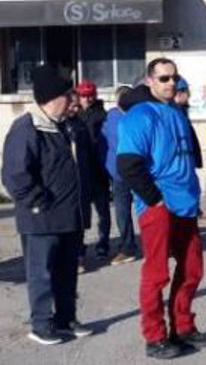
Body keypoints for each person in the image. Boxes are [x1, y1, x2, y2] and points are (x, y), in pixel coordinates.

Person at [117, 58, 206, 359]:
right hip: (158, 205)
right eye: (163, 78)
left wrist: (193, 199)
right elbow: (128, 164)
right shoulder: (140, 115)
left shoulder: (175, 112)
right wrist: (155, 199)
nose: (171, 83)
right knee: (157, 273)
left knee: (192, 269)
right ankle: (155, 336)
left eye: (174, 78)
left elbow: (186, 161)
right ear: (149, 81)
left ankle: (183, 327)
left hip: (184, 204)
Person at [2, 65, 94, 345]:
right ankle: (41, 324)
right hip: (41, 218)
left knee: (67, 273)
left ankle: (65, 319)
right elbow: (15, 174)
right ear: (52, 98)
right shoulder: (27, 127)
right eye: (69, 95)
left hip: (70, 216)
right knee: (41, 274)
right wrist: (37, 203)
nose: (74, 101)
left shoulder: (67, 126)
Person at [74, 80, 112, 264]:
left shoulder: (103, 115)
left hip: (99, 170)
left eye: (90, 95)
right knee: (81, 213)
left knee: (103, 211)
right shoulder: (74, 116)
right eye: (83, 95)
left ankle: (103, 244)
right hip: (81, 172)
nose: (87, 99)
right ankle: (79, 248)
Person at [103, 85, 139, 265]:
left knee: (145, 209)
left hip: (138, 171)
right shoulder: (111, 117)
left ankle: (158, 244)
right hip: (118, 173)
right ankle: (127, 247)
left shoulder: (140, 116)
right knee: (122, 212)